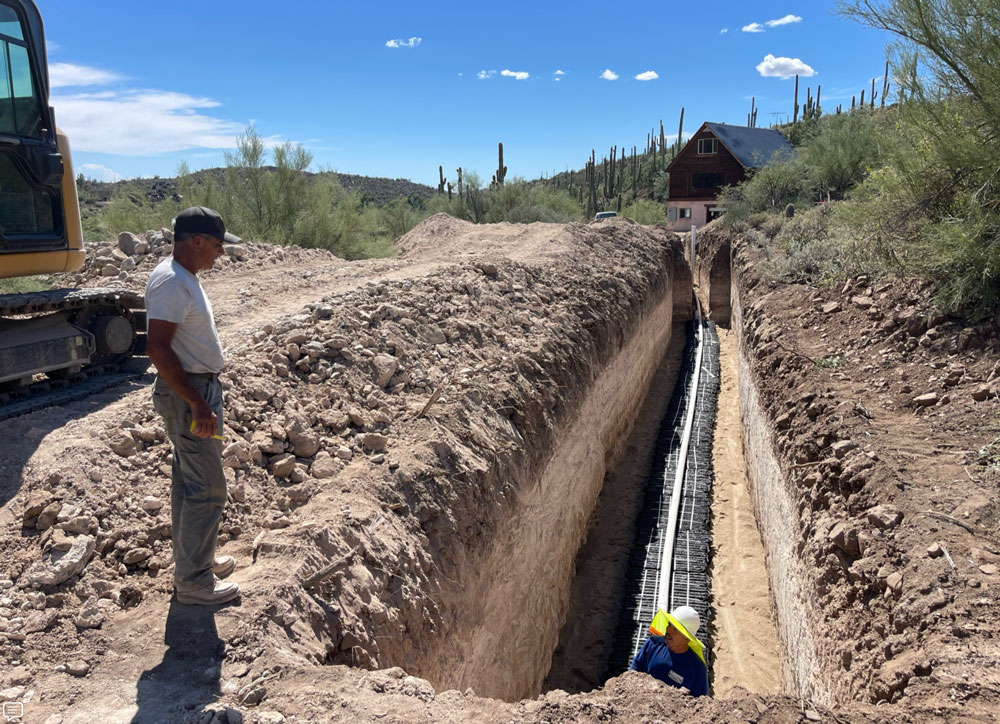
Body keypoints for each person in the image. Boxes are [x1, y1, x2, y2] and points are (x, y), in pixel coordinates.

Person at [146, 206, 240, 606]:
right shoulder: (172, 282)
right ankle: (195, 583)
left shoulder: (184, 276)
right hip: (190, 395)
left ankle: (195, 562)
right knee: (209, 490)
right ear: (196, 240)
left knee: (189, 481)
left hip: (198, 390)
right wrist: (198, 403)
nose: (220, 254)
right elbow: (157, 348)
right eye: (217, 246)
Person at [629, 605, 708, 696]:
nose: (668, 630)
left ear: (687, 638)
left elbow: (700, 702)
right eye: (669, 624)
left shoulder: (697, 668)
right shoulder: (652, 644)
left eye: (676, 629)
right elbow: (634, 671)